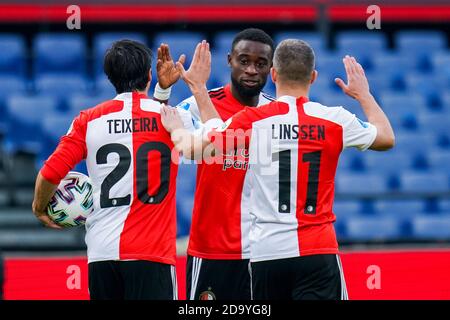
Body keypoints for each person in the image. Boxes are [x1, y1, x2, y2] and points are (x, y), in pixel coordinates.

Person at [161, 39, 395, 300]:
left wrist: (177, 128)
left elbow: (194, 148)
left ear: (273, 74)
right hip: (318, 249)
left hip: (267, 252)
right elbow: (386, 138)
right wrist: (364, 95)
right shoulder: (334, 118)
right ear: (314, 77)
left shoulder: (255, 119)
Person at [32, 39, 193, 300]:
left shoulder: (88, 120)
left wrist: (39, 207)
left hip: (102, 254)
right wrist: (165, 93)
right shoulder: (172, 118)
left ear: (110, 77)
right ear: (150, 75)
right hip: (152, 253)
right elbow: (206, 145)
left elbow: (50, 173)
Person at [168, 28, 275, 300]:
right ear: (229, 60)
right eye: (244, 60)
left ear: (272, 69)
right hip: (211, 249)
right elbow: (180, 146)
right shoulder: (194, 105)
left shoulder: (277, 115)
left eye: (261, 63)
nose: (251, 69)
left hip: (264, 250)